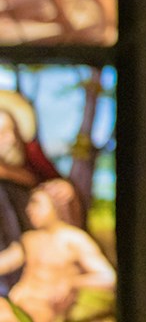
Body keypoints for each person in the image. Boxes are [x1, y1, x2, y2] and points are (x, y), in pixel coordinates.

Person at [0, 180, 114, 322]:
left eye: (36, 204)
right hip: (16, 303)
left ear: (55, 206)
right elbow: (7, 262)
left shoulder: (74, 239)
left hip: (44, 312)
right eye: (30, 204)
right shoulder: (30, 239)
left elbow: (108, 277)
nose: (30, 209)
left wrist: (73, 282)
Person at [0, 92, 61, 295]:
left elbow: (43, 181)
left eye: (10, 131)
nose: (7, 140)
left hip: (25, 250)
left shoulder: (31, 160)